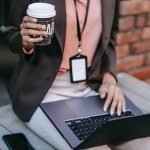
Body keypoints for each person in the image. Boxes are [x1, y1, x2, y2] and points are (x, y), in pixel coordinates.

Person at [6, 0, 150, 150]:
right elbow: (12, 33)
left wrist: (109, 78)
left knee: (145, 144)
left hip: (91, 87)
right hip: (43, 93)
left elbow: (109, 39)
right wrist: (25, 42)